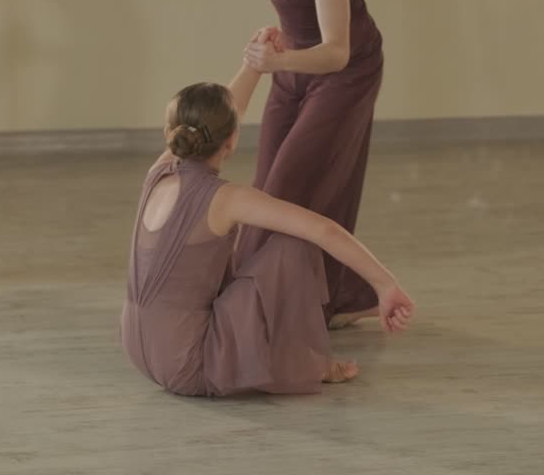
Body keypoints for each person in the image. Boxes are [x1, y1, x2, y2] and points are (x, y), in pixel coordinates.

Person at [120, 58, 413, 396]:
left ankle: (299, 359)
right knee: (297, 244)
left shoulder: (158, 173)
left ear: (172, 135)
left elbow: (225, 114)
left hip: (140, 352)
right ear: (231, 141)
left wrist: (253, 66)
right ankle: (310, 362)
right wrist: (385, 285)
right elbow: (324, 230)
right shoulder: (227, 198)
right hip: (189, 366)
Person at [229, 0, 386, 328]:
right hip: (293, 61)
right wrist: (281, 48)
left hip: (346, 69)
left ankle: (247, 309)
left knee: (296, 184)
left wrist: (276, 62)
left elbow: (337, 51)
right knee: (267, 191)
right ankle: (341, 297)